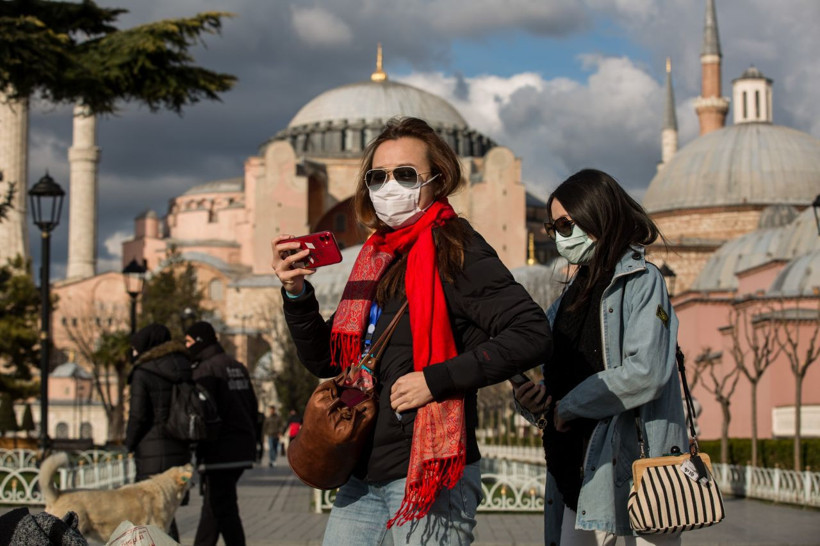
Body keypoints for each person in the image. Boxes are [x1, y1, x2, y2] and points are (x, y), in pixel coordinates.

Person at [271, 116, 552, 545]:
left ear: (437, 181)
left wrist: (435, 380)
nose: (389, 187)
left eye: (405, 174)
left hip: (427, 473)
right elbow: (326, 360)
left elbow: (532, 332)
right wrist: (296, 294)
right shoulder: (375, 257)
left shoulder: (456, 248)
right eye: (377, 176)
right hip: (362, 468)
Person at [513, 168, 688, 546]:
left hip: (638, 469)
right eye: (553, 228)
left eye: (566, 224)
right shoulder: (563, 304)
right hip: (576, 471)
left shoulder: (641, 282)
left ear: (598, 215)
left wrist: (569, 406)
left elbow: (646, 372)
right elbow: (560, 389)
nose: (560, 236)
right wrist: (534, 402)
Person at [185, 321, 258, 546]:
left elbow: (202, 413)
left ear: (199, 341)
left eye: (188, 341)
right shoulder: (236, 366)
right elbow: (252, 406)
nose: (186, 346)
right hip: (241, 446)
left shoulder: (205, 370)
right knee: (221, 506)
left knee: (217, 506)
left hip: (219, 449)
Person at [124, 323, 192, 542]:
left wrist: (128, 443)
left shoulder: (143, 372)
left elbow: (138, 416)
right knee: (166, 514)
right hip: (179, 449)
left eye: (135, 348)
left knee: (151, 515)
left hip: (151, 450)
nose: (133, 353)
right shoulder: (185, 366)